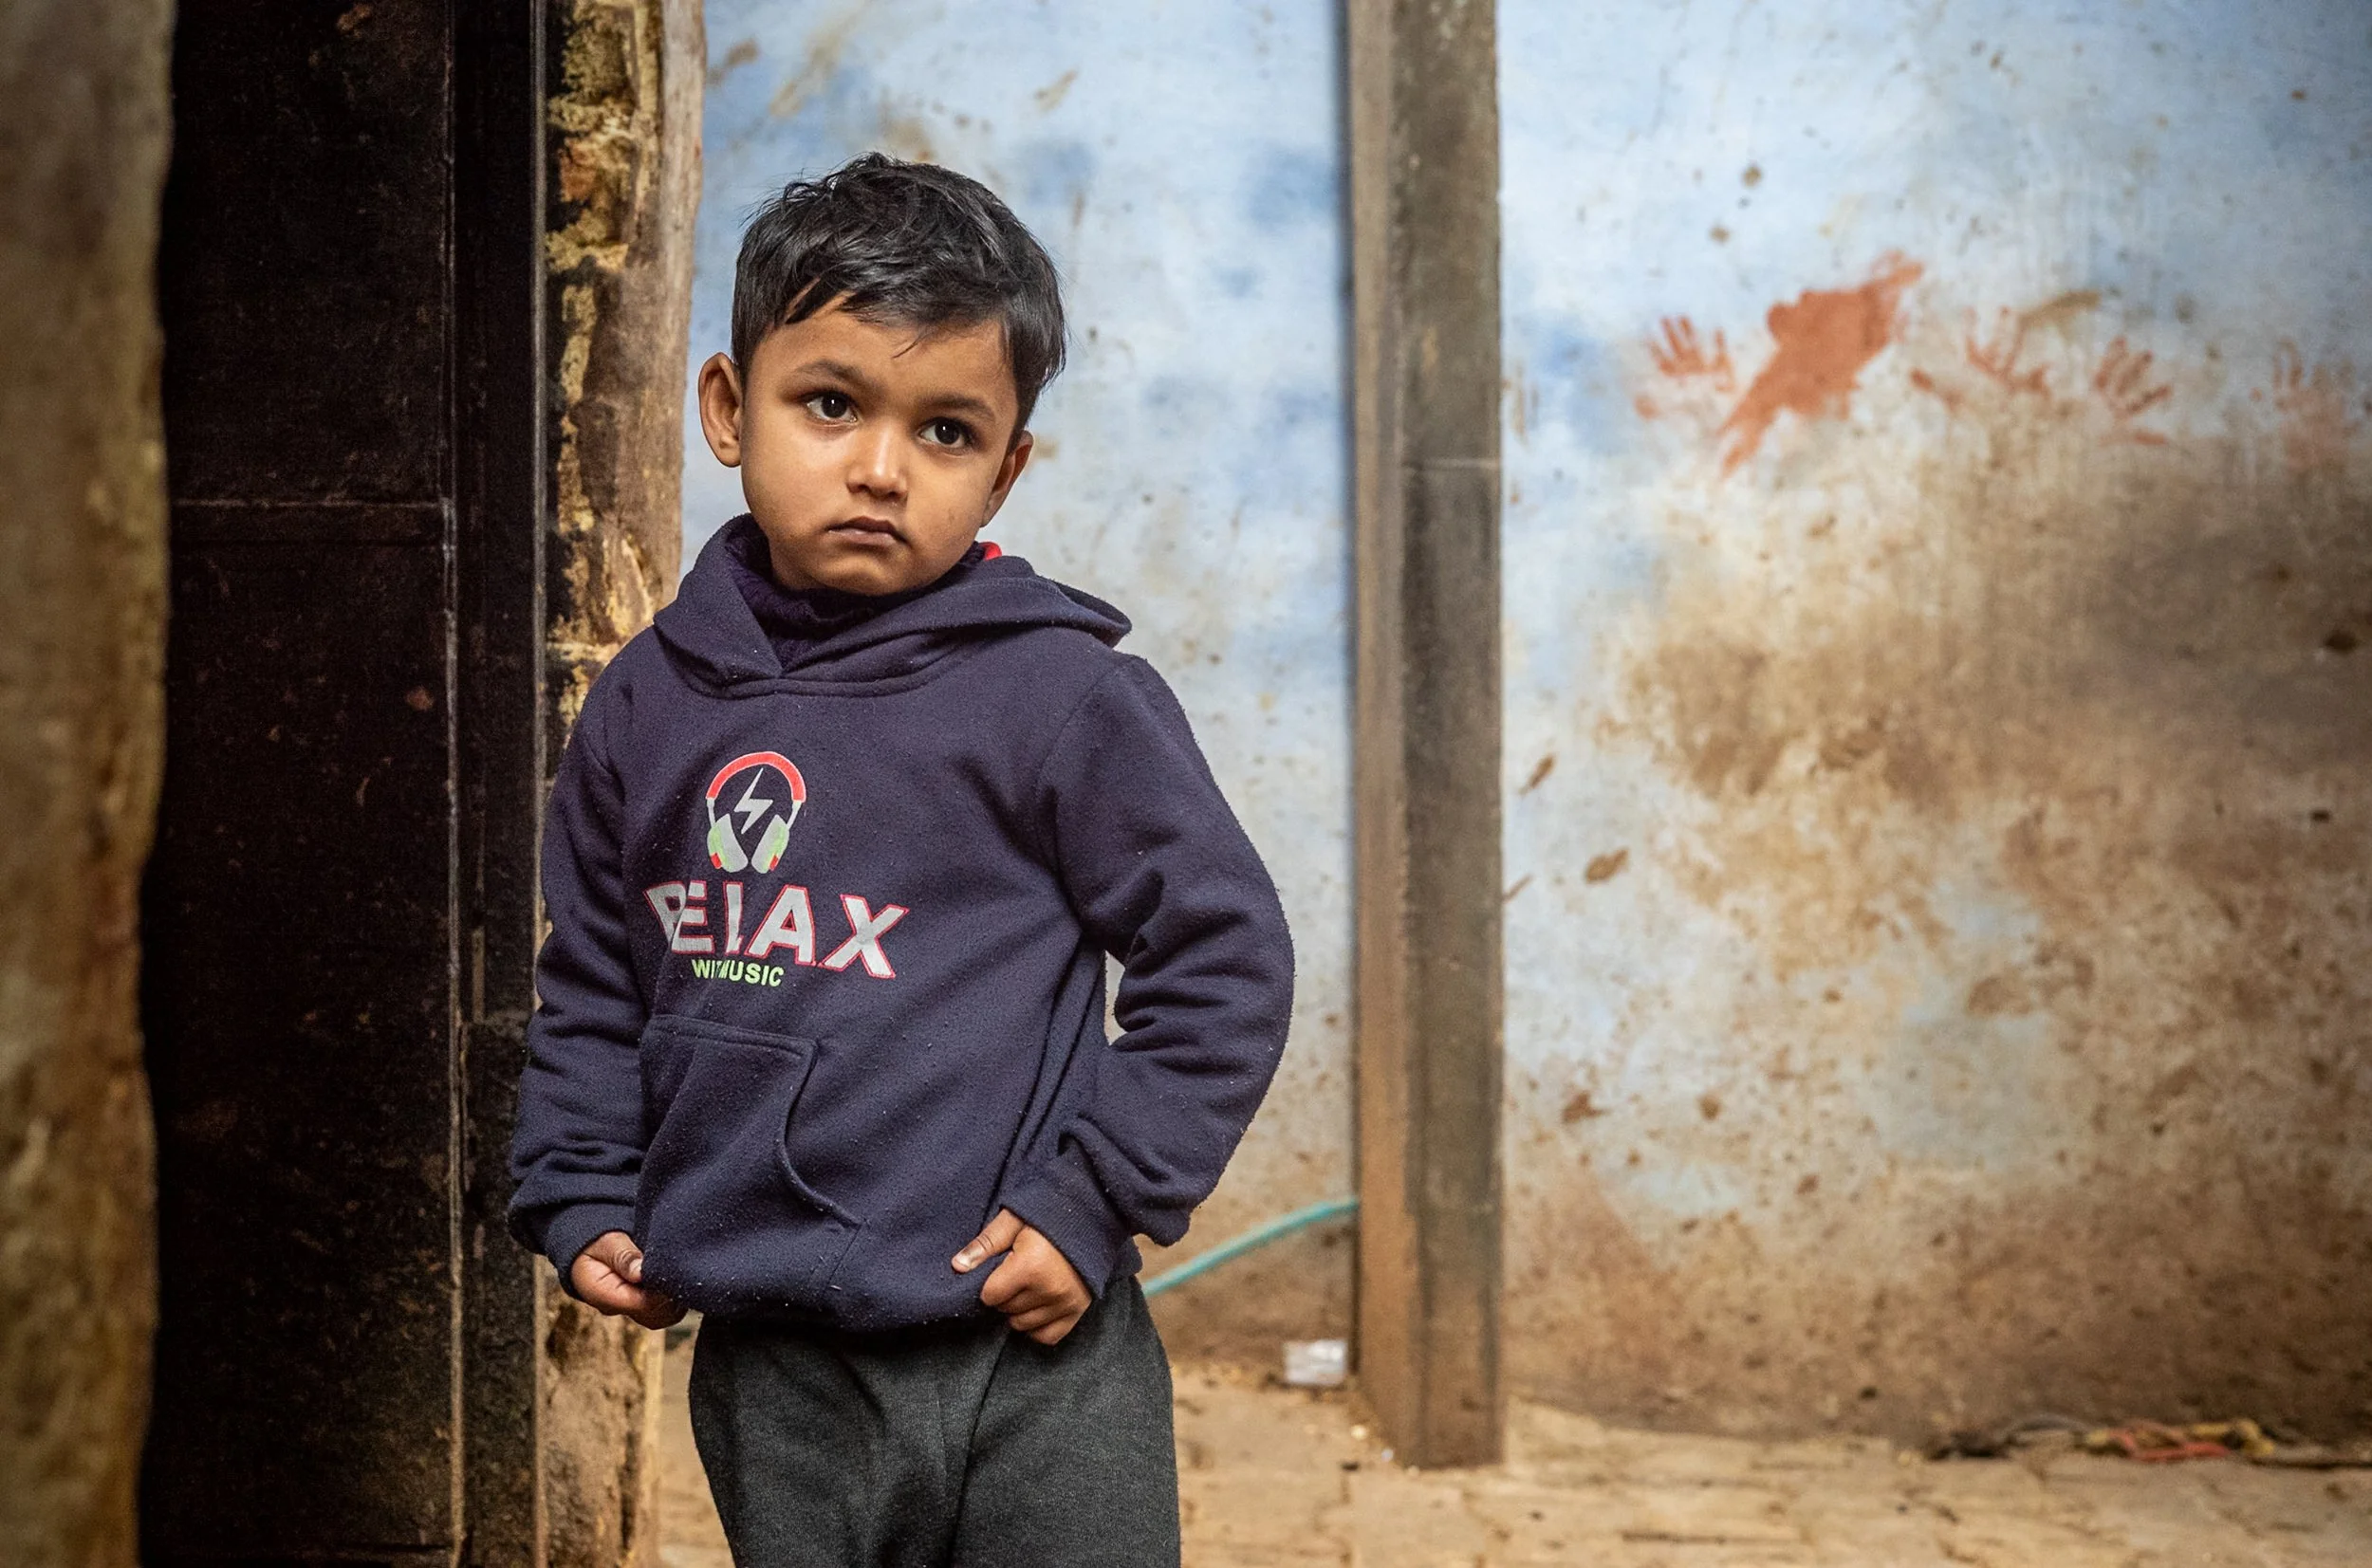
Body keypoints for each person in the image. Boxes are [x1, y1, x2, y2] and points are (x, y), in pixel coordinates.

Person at [507, 152, 1295, 1566]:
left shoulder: (1062, 699)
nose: (880, 466)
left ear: (1007, 466)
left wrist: (1094, 1200)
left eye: (945, 431)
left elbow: (1221, 955)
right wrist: (577, 1187)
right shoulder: (648, 701)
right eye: (830, 404)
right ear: (725, 409)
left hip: (1031, 1338)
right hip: (776, 1356)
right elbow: (598, 981)